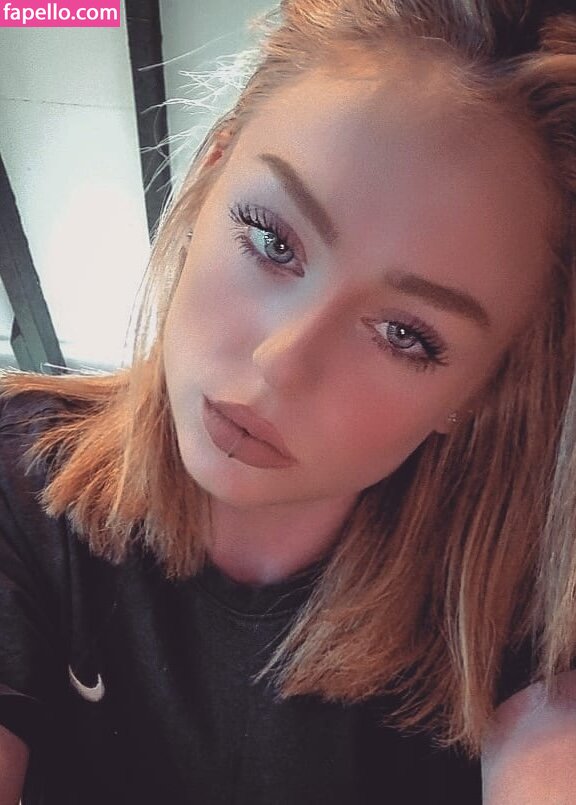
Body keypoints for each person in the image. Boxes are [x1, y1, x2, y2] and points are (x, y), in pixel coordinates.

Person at [1, 0, 575, 801]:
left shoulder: (523, 602)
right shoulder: (18, 478)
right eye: (273, 240)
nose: (280, 363)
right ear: (210, 174)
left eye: (406, 333)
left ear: (479, 390)